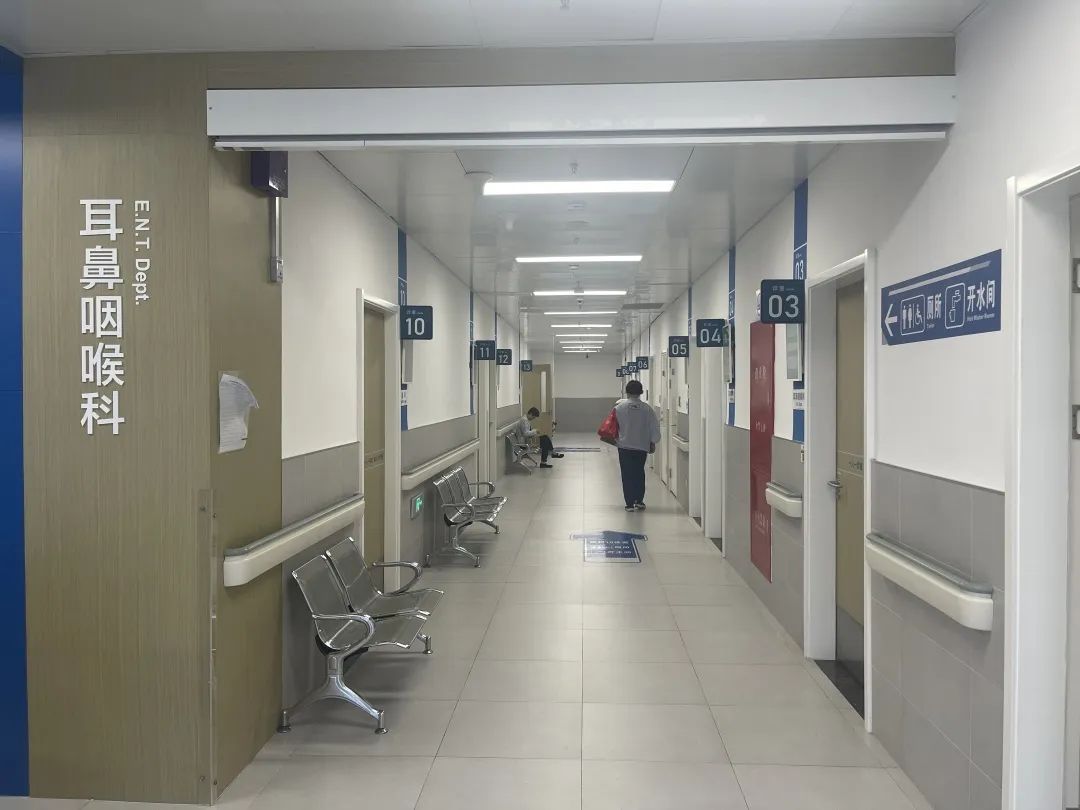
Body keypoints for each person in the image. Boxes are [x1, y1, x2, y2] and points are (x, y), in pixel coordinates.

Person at [614, 380, 661, 511]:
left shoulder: (619, 408)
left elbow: (613, 426)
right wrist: (653, 441)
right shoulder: (647, 409)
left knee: (627, 474)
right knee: (639, 472)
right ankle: (639, 501)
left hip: (624, 446)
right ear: (641, 392)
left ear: (627, 392)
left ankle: (629, 503)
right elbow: (654, 427)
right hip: (641, 447)